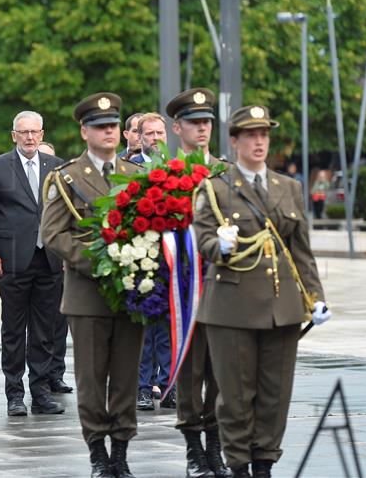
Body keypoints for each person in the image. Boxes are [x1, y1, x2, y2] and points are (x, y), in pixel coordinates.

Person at [193, 105, 331, 478]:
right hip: (231, 307)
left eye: (264, 135)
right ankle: (239, 465)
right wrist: (216, 246)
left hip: (281, 307)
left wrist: (314, 296)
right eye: (251, 135)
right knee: (237, 396)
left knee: (275, 394)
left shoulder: (290, 187)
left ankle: (265, 464)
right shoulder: (215, 188)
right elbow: (202, 239)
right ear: (234, 141)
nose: (259, 142)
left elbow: (301, 250)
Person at [41, 92, 143, 478]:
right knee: (91, 379)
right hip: (88, 294)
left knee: (125, 379)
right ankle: (98, 453)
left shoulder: (135, 176)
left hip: (131, 293)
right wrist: (100, 262)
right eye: (100, 127)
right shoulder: (66, 178)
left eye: (114, 126)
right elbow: (53, 233)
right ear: (85, 132)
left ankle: (121, 451)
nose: (109, 132)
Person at [0, 111, 66, 417]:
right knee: (14, 330)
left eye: (34, 132)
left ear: (42, 135)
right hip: (13, 260)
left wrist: (66, 251)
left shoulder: (56, 167)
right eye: (23, 132)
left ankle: (41, 392)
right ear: (13, 135)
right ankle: (14, 393)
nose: (29, 137)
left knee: (45, 330)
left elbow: (64, 213)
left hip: (49, 259)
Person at [167, 88, 232, 477]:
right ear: (178, 128)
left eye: (207, 121)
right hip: (184, 287)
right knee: (191, 374)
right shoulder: (163, 174)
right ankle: (194, 449)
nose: (202, 128)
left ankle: (216, 448)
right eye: (194, 122)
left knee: (221, 372)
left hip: (222, 284)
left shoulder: (225, 171)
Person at [129, 111, 174, 414]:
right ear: (139, 137)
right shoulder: (128, 169)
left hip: (170, 259)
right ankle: (143, 388)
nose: (155, 139)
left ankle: (169, 385)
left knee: (170, 326)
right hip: (139, 258)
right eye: (149, 134)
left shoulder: (177, 169)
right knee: (144, 329)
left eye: (160, 133)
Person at [36, 141, 73, 394]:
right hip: (30, 257)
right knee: (37, 324)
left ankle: (56, 372)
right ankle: (39, 372)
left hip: (56, 259)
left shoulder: (61, 178)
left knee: (58, 322)